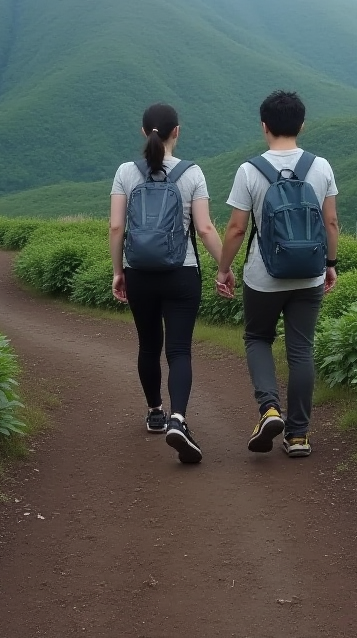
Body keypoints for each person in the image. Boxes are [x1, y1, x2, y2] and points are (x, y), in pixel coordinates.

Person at [216, 91, 339, 457]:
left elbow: (237, 229)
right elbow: (330, 221)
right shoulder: (321, 166)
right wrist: (330, 265)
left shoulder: (249, 170)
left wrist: (223, 270)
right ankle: (298, 436)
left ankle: (269, 409)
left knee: (257, 338)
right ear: (301, 125)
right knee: (301, 349)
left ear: (264, 126)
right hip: (310, 274)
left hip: (263, 275)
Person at [109, 103, 230, 464]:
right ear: (177, 131)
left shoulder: (125, 173)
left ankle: (155, 412)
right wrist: (224, 268)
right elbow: (205, 229)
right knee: (179, 350)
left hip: (140, 273)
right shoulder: (192, 174)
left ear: (143, 132)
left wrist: (119, 271)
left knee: (148, 346)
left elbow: (117, 227)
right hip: (182, 272)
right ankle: (179, 418)